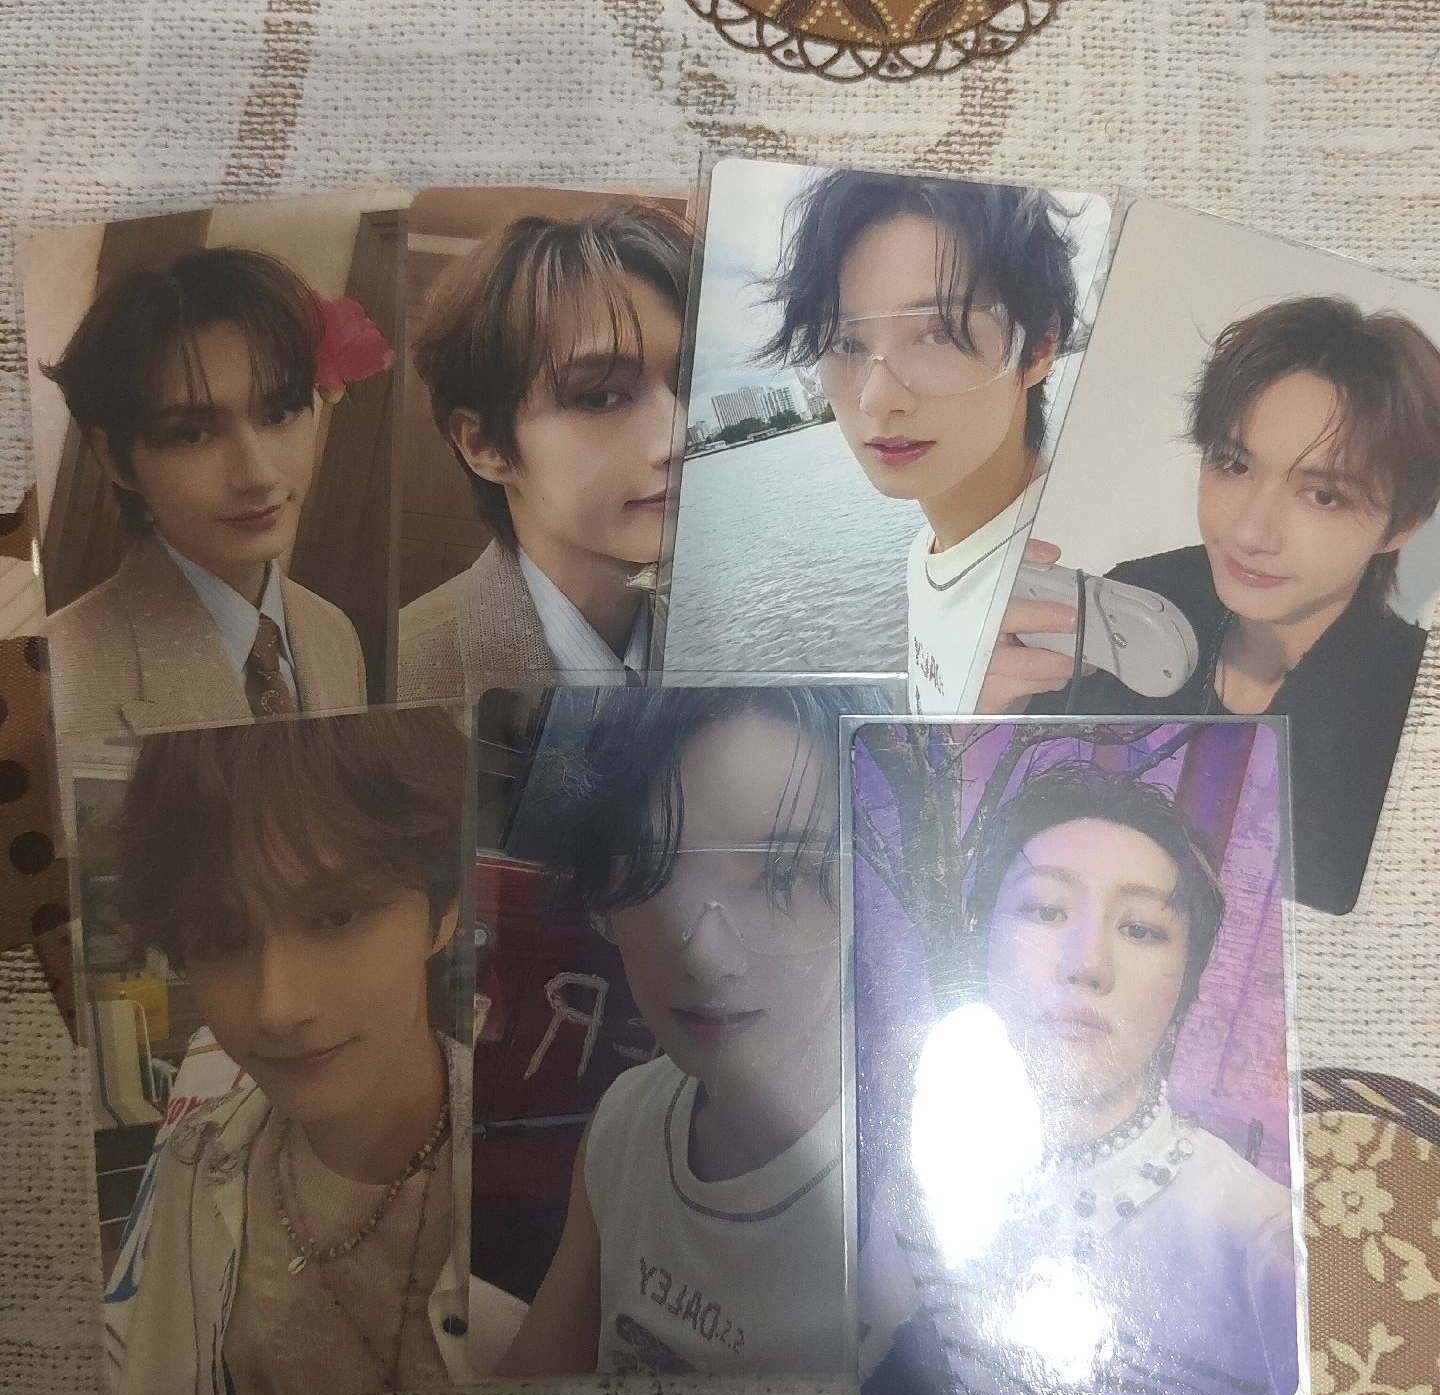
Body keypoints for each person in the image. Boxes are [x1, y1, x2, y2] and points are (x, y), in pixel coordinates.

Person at [100, 707, 523, 1395]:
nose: (277, 1006)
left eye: (337, 915)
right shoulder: (194, 1164)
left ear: (444, 910)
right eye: (222, 937)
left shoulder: (541, 1182)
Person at [978, 296, 1440, 914]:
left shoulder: (1411, 715)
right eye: (1232, 464)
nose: (1251, 532)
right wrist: (987, 719)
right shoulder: (1137, 601)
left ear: (1401, 524)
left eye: (1323, 496)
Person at [860, 760, 1300, 1395]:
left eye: (1141, 929)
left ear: (1188, 982)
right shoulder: (917, 1167)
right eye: (1045, 910)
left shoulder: (1266, 1250)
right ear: (982, 942)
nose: (1086, 964)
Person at [495, 685, 886, 1377]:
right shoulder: (627, 1120)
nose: (706, 956)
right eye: (655, 873)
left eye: (782, 875)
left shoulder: (912, 1206)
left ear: (871, 896)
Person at [759, 170, 1079, 714]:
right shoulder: (935, 549)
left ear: (1039, 348)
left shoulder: (1067, 592)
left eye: (938, 334)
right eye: (845, 343)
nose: (877, 399)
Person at [41, 247, 375, 736]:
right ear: (114, 458)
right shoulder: (54, 676)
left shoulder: (334, 633)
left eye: (279, 413)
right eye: (191, 433)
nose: (258, 474)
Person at [398, 204, 692, 700]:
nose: (680, 436)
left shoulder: (721, 639)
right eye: (600, 397)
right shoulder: (404, 679)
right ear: (484, 444)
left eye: (690, 383)